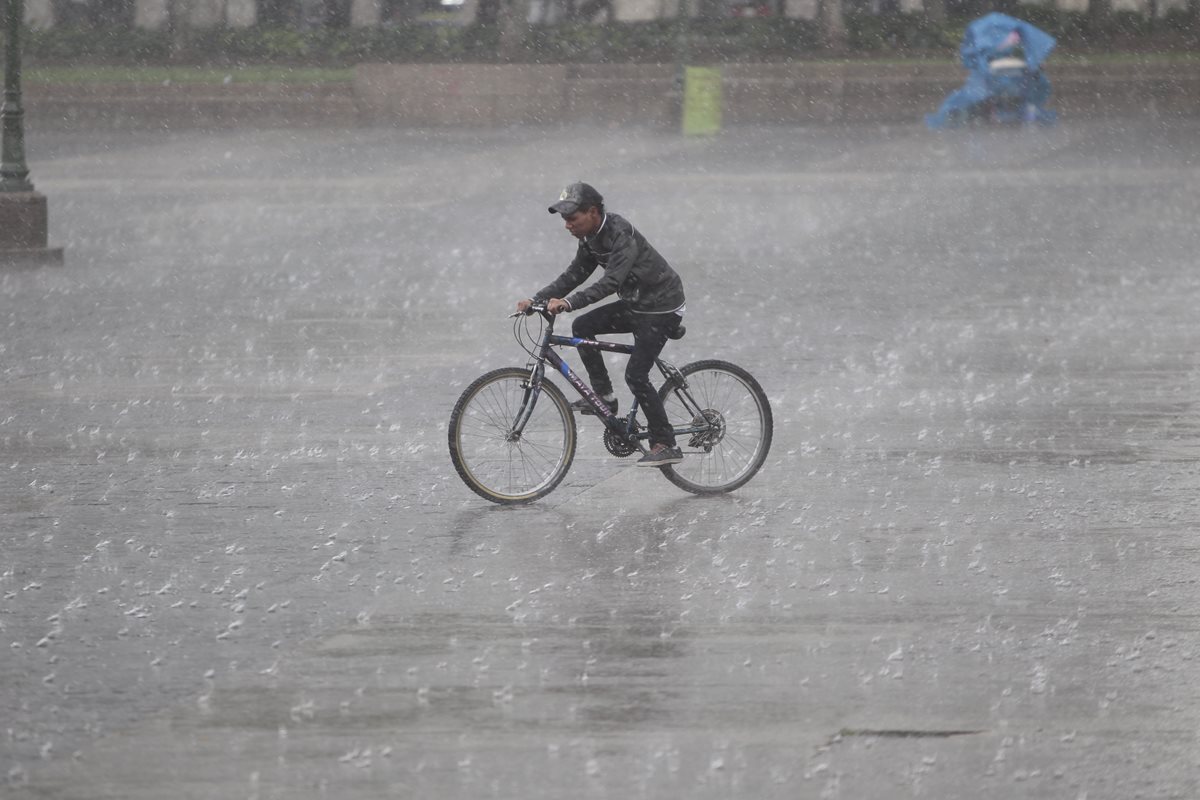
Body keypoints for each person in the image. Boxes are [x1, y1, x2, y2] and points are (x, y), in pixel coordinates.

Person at [516, 182, 686, 467]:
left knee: (636, 375)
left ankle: (666, 442)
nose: (567, 225)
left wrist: (569, 303)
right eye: (564, 220)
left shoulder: (620, 233)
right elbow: (573, 275)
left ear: (592, 212)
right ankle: (605, 398)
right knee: (582, 327)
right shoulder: (589, 239)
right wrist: (536, 299)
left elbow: (611, 282)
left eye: (572, 218)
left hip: (661, 307)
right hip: (636, 303)